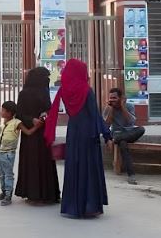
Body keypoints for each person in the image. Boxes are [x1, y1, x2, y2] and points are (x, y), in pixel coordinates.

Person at [44, 59, 112, 219]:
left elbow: (55, 111)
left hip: (74, 133)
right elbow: (95, 115)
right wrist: (107, 135)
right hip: (89, 134)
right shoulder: (86, 90)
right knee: (89, 168)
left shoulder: (64, 90)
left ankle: (73, 207)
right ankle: (90, 207)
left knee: (74, 167)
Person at [15, 67, 60, 204]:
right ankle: (33, 194)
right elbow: (19, 114)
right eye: (45, 77)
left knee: (45, 162)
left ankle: (47, 194)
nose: (47, 80)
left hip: (43, 132)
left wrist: (45, 115)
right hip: (30, 133)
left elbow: (49, 109)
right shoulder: (24, 94)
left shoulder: (44, 92)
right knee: (32, 162)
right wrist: (32, 120)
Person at [0, 100, 43, 206]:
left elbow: (28, 132)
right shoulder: (3, 122)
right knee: (1, 174)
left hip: (8, 154)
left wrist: (37, 126)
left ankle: (8, 196)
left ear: (9, 113)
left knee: (8, 174)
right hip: (0, 152)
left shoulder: (17, 123)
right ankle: (4, 192)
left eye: (3, 110)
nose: (1, 112)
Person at [103, 88, 145, 185]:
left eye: (114, 98)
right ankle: (131, 175)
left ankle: (116, 140)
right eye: (110, 98)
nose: (112, 100)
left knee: (141, 129)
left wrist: (122, 106)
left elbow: (131, 122)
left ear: (121, 98)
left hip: (130, 133)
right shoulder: (108, 108)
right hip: (117, 133)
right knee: (123, 144)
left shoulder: (129, 106)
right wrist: (112, 109)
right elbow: (106, 126)